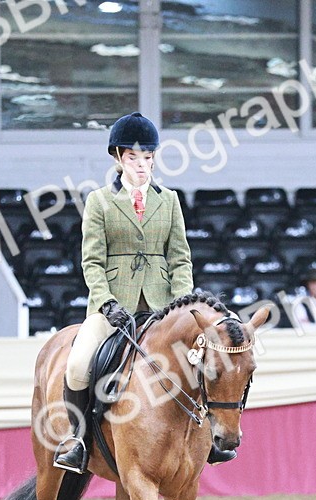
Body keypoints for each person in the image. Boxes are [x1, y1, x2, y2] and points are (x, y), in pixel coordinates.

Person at [56, 111, 233, 474]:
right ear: (118, 158)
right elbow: (92, 261)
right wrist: (106, 302)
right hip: (113, 307)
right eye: (133, 157)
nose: (141, 165)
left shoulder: (168, 200)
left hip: (162, 306)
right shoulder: (100, 201)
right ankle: (78, 440)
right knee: (77, 364)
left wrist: (182, 305)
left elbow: (180, 258)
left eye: (147, 157)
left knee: (203, 360)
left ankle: (208, 437)